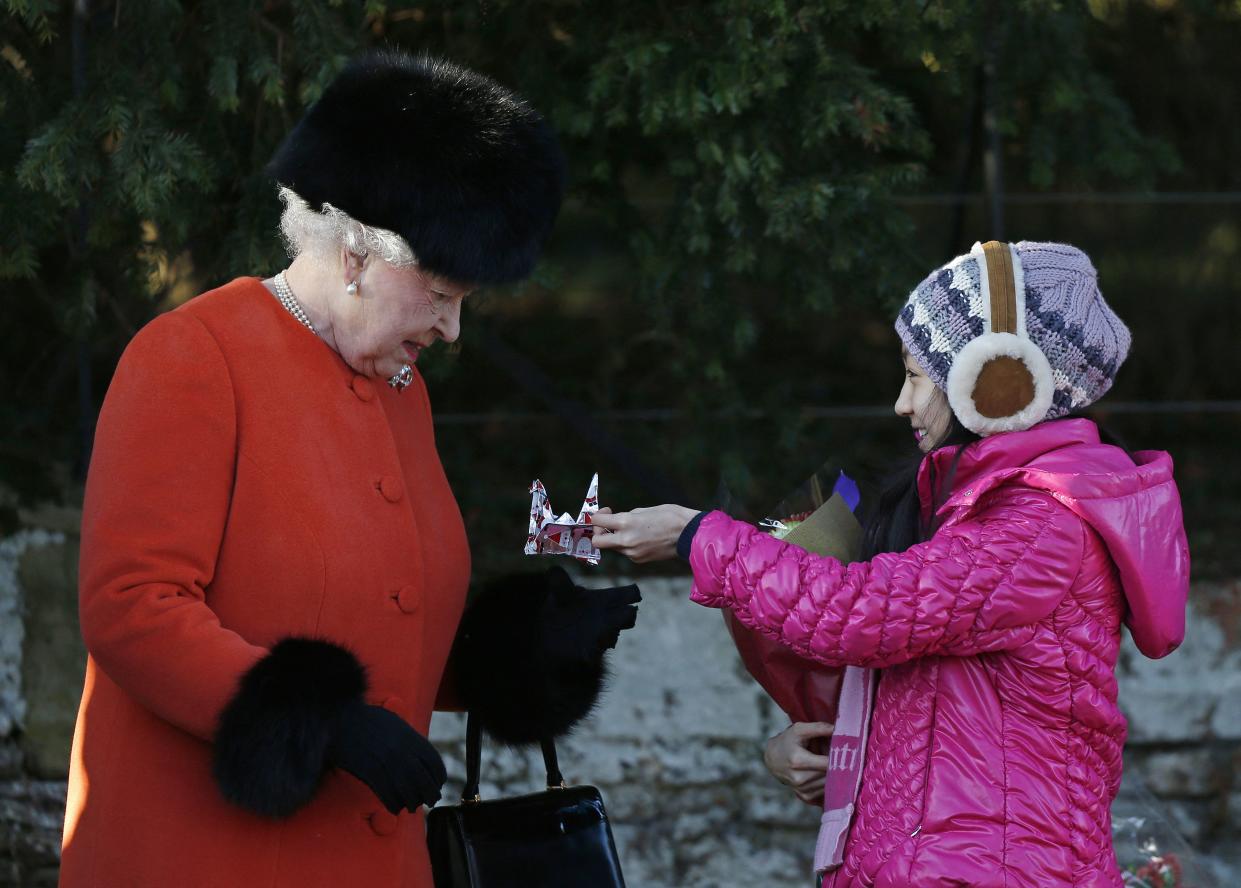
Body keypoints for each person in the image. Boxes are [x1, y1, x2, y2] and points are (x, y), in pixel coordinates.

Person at [62, 51, 639, 888]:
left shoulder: (401, 389)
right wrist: (321, 721)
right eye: (442, 292)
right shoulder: (192, 355)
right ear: (359, 252)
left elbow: (390, 627)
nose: (452, 329)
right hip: (202, 859)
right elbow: (130, 609)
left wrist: (526, 650)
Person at [594, 240, 1190, 886]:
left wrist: (694, 536)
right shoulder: (981, 511)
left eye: (913, 376)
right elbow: (939, 711)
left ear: (994, 383)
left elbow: (862, 613)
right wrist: (821, 748)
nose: (900, 404)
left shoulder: (1042, 528)